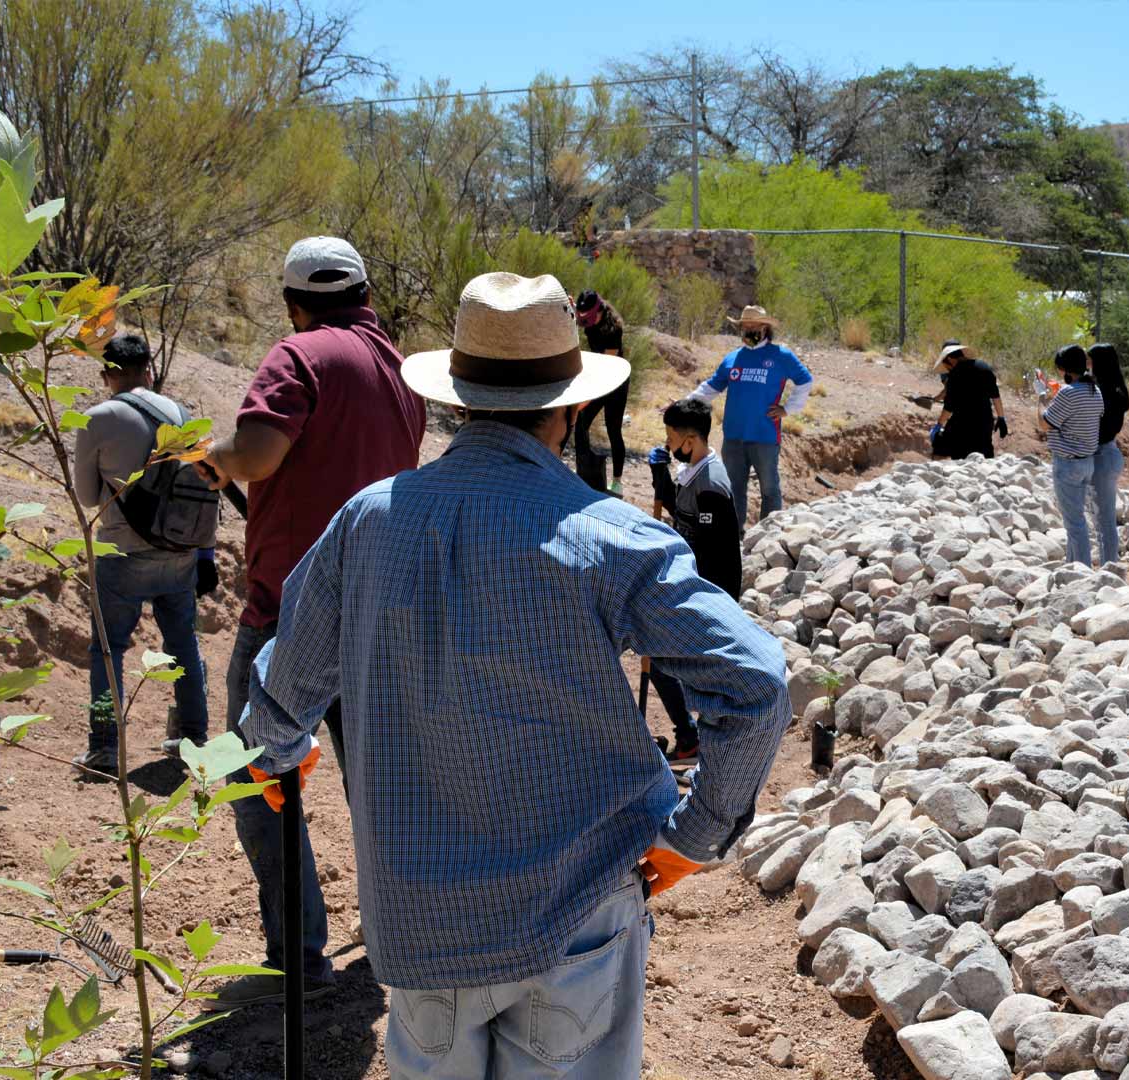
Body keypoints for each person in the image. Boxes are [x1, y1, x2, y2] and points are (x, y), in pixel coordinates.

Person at [239, 272, 789, 1079]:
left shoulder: (367, 519)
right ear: (567, 410)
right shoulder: (612, 537)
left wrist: (276, 748)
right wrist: (694, 834)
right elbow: (756, 685)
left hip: (420, 924)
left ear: (455, 400)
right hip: (579, 913)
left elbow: (283, 684)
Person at [196, 236, 427, 1011]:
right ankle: (406, 936)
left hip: (291, 614)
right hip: (383, 608)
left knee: (256, 775)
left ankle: (298, 954)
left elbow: (260, 453)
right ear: (364, 291)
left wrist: (215, 455)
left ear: (293, 301)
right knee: (380, 784)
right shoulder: (400, 369)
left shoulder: (298, 355)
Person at [69, 334, 211, 777]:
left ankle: (105, 748)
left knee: (107, 651)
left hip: (122, 556)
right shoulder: (180, 415)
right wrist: (205, 553)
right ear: (148, 368)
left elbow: (88, 497)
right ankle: (192, 737)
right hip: (179, 552)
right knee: (183, 645)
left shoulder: (97, 418)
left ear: (107, 373)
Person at [645, 397, 744, 764]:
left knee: (667, 664)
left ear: (689, 440)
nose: (669, 445)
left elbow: (710, 550)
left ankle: (699, 742)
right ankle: (692, 738)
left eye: (671, 438)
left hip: (708, 593)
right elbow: (684, 516)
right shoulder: (695, 473)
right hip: (691, 587)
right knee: (662, 662)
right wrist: (661, 477)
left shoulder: (711, 486)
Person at [686, 305, 813, 523]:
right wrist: (684, 403)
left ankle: (769, 535)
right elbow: (711, 388)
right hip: (733, 436)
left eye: (754, 327)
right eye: (745, 327)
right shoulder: (733, 358)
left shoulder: (781, 356)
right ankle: (735, 537)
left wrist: (788, 409)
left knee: (769, 488)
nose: (749, 331)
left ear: (765, 329)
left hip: (765, 436)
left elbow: (805, 380)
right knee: (733, 489)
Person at [1038, 344, 1103, 566]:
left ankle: (1082, 571)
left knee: (1074, 524)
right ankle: (1071, 566)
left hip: (1067, 464)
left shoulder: (1068, 393)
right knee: (1076, 520)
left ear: (1065, 369)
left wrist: (1040, 398)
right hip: (1087, 463)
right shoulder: (1095, 390)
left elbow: (1044, 424)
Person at [573, 290, 629, 494]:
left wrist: (587, 397)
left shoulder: (613, 329)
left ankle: (617, 482)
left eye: (587, 317)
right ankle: (584, 469)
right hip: (599, 373)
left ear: (598, 311)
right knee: (581, 422)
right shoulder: (590, 323)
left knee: (613, 429)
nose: (585, 322)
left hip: (615, 378)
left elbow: (608, 366)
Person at [1088, 342, 1129, 566]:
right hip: (1111, 453)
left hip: (1100, 455)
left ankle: (1109, 570)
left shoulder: (1099, 392)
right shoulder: (1117, 389)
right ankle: (1110, 566)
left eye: (1090, 360)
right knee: (1106, 519)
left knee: (1103, 521)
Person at [928, 342, 1007, 459]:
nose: (947, 368)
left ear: (950, 359)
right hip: (985, 422)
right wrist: (1001, 418)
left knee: (944, 450)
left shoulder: (954, 375)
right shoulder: (984, 366)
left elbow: (949, 407)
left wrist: (938, 425)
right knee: (985, 457)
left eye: (945, 364)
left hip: (962, 425)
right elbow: (996, 397)